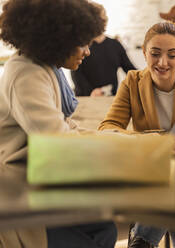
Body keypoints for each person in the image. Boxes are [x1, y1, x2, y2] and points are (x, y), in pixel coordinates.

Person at [0, 0, 117, 247]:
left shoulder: (44, 69)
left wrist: (130, 139)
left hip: (45, 187)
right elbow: (60, 142)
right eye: (82, 43)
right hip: (22, 197)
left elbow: (67, 128)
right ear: (58, 39)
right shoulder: (26, 75)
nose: (87, 52)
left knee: (106, 226)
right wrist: (141, 150)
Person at [98, 21, 175, 248]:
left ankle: (142, 241)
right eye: (155, 54)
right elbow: (107, 128)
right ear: (144, 53)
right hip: (152, 180)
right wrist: (155, 141)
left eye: (172, 55)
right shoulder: (132, 83)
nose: (163, 62)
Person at [71, 7, 136, 97]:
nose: (101, 21)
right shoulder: (82, 44)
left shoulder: (115, 45)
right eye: (97, 18)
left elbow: (130, 70)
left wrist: (148, 79)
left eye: (103, 18)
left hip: (109, 98)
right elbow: (76, 73)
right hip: (85, 98)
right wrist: (91, 92)